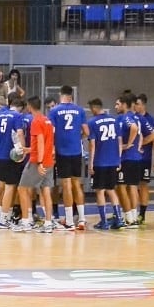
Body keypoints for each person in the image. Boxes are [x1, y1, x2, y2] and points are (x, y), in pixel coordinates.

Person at [47, 85, 88, 230]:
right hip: (76, 151)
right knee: (77, 184)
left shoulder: (54, 111)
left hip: (62, 152)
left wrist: (52, 148)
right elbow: (86, 132)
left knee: (66, 185)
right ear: (71, 95)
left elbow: (51, 132)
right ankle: (82, 219)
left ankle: (69, 221)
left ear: (60, 94)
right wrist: (77, 138)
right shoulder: (80, 110)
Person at [12, 96, 56, 233]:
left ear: (29, 107)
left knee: (22, 189)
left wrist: (40, 162)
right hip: (49, 161)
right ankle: (48, 223)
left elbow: (42, 142)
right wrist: (28, 149)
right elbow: (47, 143)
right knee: (46, 191)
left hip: (38, 162)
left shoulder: (36, 121)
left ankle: (25, 222)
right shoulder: (47, 120)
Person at [0, 95, 24, 228]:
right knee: (10, 187)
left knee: (0, 186)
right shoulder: (17, 116)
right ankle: (4, 220)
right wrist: (22, 150)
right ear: (19, 108)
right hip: (10, 157)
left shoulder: (0, 115)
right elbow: (19, 134)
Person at [87, 98, 125, 230]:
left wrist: (90, 164)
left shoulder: (92, 122)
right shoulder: (114, 120)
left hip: (100, 161)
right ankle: (119, 219)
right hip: (113, 160)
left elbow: (92, 144)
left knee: (100, 191)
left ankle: (104, 221)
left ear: (94, 108)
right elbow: (119, 141)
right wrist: (119, 159)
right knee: (111, 190)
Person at [115, 93, 143, 228]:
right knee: (132, 187)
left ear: (124, 105)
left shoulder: (126, 117)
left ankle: (129, 218)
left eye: (118, 104)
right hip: (136, 157)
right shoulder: (136, 117)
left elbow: (134, 129)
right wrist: (138, 146)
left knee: (121, 187)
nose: (116, 107)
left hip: (127, 158)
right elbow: (141, 134)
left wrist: (128, 144)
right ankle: (133, 216)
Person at [133, 93, 154, 224]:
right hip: (132, 158)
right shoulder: (132, 118)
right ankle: (131, 212)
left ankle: (142, 214)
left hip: (145, 158)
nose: (135, 106)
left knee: (143, 185)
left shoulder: (151, 121)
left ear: (143, 105)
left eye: (137, 104)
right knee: (130, 185)